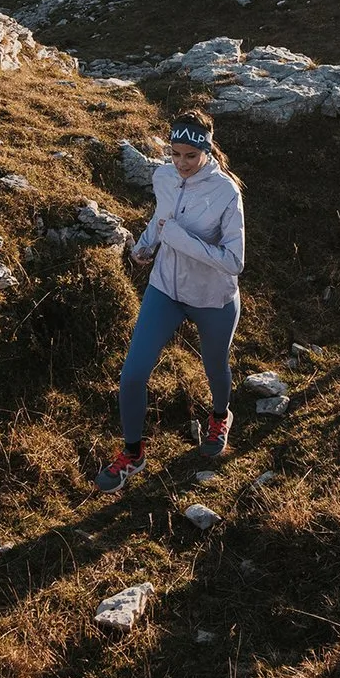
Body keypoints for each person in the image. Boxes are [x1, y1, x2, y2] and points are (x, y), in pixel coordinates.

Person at [97, 109, 246, 494]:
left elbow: (235, 261)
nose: (181, 163)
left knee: (215, 366)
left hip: (212, 297)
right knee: (132, 374)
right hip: (165, 289)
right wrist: (147, 245)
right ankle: (133, 454)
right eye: (175, 154)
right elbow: (162, 217)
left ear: (207, 151)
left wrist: (179, 240)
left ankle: (219, 416)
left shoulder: (226, 193)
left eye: (190, 156)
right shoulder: (163, 176)